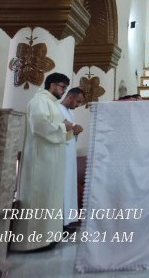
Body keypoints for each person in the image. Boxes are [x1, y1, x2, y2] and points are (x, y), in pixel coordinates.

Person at [12, 72, 75, 251]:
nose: (63, 91)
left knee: (50, 198)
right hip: (41, 161)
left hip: (52, 161)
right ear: (52, 85)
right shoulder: (39, 101)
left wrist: (65, 127)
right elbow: (40, 125)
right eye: (62, 87)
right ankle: (33, 242)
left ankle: (49, 238)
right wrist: (64, 126)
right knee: (40, 197)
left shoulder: (51, 104)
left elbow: (54, 125)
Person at [59, 87, 85, 231]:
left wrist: (76, 130)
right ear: (70, 97)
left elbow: (70, 130)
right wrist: (72, 129)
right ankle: (60, 223)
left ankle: (67, 221)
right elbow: (56, 129)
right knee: (62, 189)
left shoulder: (70, 113)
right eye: (77, 101)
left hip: (70, 155)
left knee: (69, 188)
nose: (78, 105)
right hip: (61, 154)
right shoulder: (56, 109)